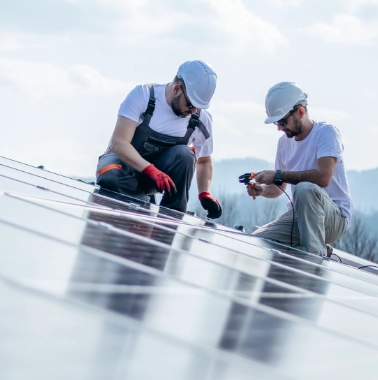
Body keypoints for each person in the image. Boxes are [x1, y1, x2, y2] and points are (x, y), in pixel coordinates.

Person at [95, 61, 223, 217]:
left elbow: (204, 160)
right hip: (122, 167)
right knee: (110, 176)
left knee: (186, 155)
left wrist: (204, 193)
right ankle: (139, 201)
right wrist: (151, 170)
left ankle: (171, 216)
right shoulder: (144, 95)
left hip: (154, 179)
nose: (194, 111)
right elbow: (119, 143)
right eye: (190, 104)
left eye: (198, 106)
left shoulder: (201, 119)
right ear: (176, 89)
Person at [246, 81, 354, 257]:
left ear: (300, 112)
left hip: (334, 218)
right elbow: (279, 188)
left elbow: (323, 177)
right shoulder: (283, 143)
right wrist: (262, 190)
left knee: (305, 189)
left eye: (282, 121)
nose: (279, 128)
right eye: (276, 124)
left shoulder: (326, 133)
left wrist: (278, 174)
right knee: (258, 241)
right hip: (299, 216)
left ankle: (314, 257)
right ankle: (310, 247)